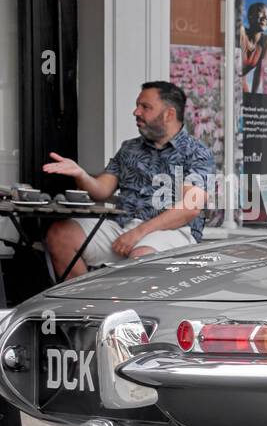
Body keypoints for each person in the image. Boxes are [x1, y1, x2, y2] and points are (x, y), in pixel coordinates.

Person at [42, 81, 213, 280]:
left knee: (141, 257)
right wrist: (81, 175)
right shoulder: (130, 148)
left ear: (169, 114)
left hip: (173, 232)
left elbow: (190, 208)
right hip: (124, 226)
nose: (136, 112)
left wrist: (138, 233)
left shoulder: (196, 152)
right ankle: (89, 305)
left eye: (145, 107)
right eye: (137, 105)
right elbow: (101, 190)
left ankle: (130, 311)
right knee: (60, 235)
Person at [240, 2, 267, 93]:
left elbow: (259, 72)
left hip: (242, 84)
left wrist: (254, 97)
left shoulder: (266, 41)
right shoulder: (241, 32)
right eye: (261, 13)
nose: (265, 18)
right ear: (250, 16)